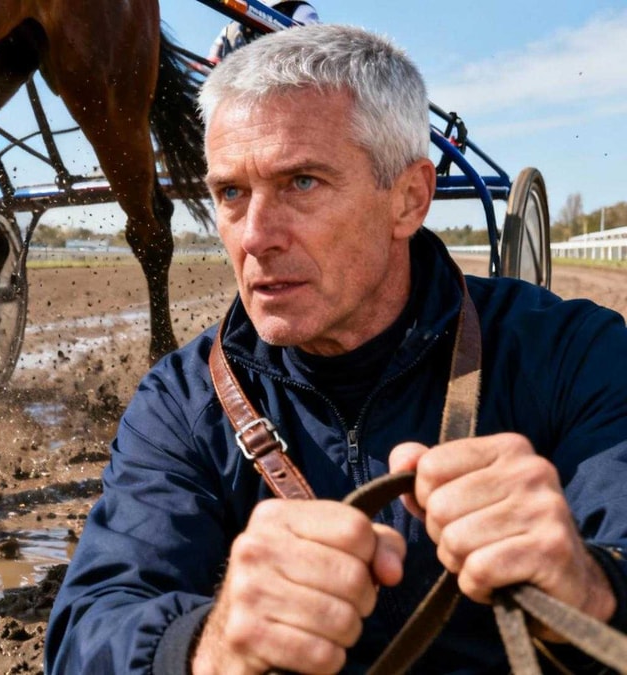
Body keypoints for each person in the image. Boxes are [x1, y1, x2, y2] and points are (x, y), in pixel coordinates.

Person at [45, 23, 627, 674]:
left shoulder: (573, 354)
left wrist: (592, 584)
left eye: (301, 183)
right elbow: (86, 633)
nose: (255, 236)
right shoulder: (181, 404)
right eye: (231, 192)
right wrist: (210, 645)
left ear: (409, 199)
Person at [204, 0, 320, 69]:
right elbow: (213, 58)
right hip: (234, 84)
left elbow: (315, 45)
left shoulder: (296, 8)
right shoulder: (233, 23)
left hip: (277, 80)